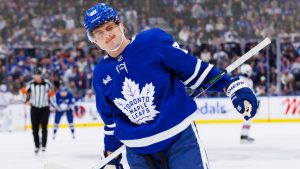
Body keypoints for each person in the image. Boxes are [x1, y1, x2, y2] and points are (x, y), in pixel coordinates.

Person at [84, 3, 258, 169]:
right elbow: (112, 123)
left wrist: (231, 86)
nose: (107, 35)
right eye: (99, 33)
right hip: (138, 154)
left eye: (109, 27)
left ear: (120, 25)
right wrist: (110, 158)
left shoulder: (152, 42)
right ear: (94, 41)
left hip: (180, 140)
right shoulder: (101, 75)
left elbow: (193, 70)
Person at [21, 67, 55, 155]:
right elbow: (24, 92)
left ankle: (43, 145)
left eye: (38, 75)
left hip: (45, 108)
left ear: (41, 75)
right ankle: (37, 146)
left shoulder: (47, 83)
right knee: (34, 128)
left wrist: (54, 105)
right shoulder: (30, 84)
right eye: (35, 75)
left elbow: (52, 94)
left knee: (44, 127)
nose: (36, 77)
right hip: (34, 108)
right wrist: (26, 100)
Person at [239, 64, 259, 143]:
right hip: (244, 103)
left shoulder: (249, 81)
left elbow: (251, 92)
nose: (250, 72)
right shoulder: (240, 79)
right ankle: (244, 136)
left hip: (248, 103)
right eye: (249, 71)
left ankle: (244, 135)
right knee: (248, 119)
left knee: (248, 119)